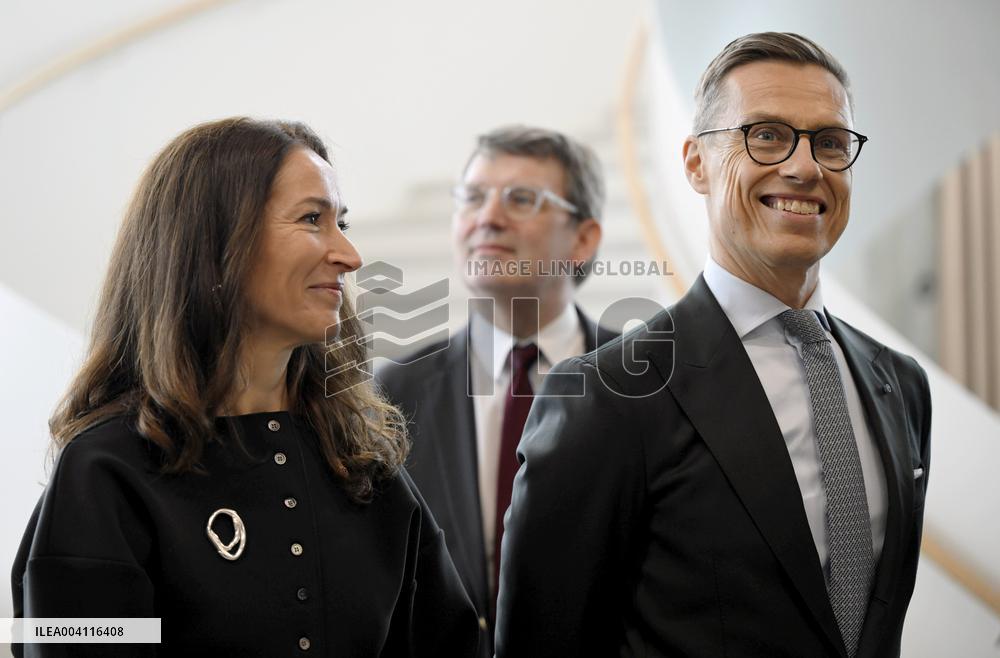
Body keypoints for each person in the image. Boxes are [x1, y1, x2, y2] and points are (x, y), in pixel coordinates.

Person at [496, 33, 932, 658]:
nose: (804, 167)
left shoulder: (901, 385)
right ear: (697, 163)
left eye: (830, 142)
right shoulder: (607, 395)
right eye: (766, 134)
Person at [11, 117, 479, 657]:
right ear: (214, 243)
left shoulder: (364, 469)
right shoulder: (105, 472)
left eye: (341, 223)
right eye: (312, 219)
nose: (349, 256)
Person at [376, 125, 616, 654]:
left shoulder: (645, 382)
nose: (488, 217)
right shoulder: (394, 392)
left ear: (582, 239)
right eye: (473, 198)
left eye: (521, 199)